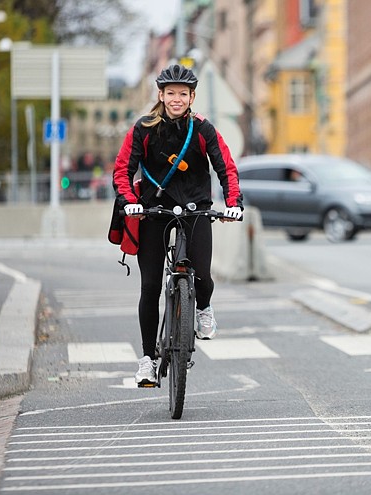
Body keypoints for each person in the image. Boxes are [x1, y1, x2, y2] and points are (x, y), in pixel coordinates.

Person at [112, 63, 244, 386]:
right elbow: (121, 171)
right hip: (153, 209)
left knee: (203, 274)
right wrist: (131, 202)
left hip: (195, 206)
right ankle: (147, 359)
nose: (176, 99)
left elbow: (225, 167)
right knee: (150, 286)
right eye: (170, 93)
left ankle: (204, 308)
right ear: (161, 94)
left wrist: (233, 204)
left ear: (192, 97)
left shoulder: (202, 130)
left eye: (182, 94)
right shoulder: (143, 129)